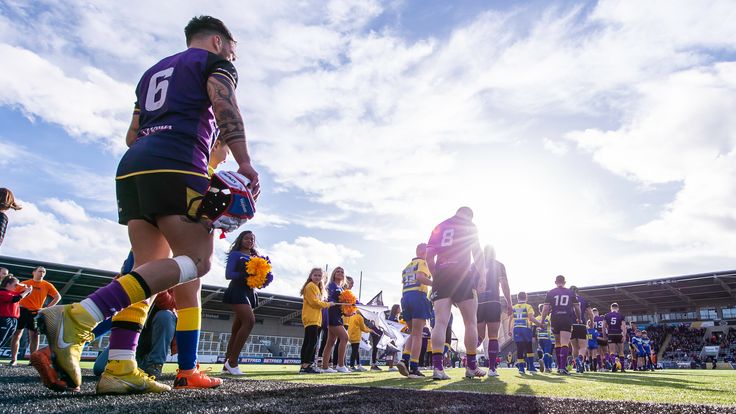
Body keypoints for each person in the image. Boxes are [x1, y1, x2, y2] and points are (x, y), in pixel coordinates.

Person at [34, 15, 259, 394]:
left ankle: (120, 366)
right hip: (178, 162)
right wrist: (245, 161)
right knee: (198, 261)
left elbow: (131, 135)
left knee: (146, 271)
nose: (233, 59)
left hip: (135, 165)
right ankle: (77, 317)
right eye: (233, 52)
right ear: (219, 43)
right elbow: (225, 106)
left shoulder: (152, 72)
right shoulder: (213, 64)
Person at [426, 207, 485, 380]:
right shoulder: (470, 226)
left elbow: (429, 256)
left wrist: (436, 276)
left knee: (440, 322)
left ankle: (437, 368)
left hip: (442, 274)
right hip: (463, 275)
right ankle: (472, 367)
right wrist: (482, 276)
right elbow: (477, 253)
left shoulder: (440, 226)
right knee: (470, 322)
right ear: (469, 215)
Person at [222, 230, 259, 376]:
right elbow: (228, 274)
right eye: (246, 238)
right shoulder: (235, 254)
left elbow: (260, 275)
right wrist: (245, 274)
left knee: (237, 329)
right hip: (237, 290)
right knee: (249, 321)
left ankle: (226, 365)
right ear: (240, 239)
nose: (249, 241)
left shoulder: (256, 257)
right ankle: (233, 362)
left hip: (250, 292)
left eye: (252, 239)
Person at [9, 266, 61, 366]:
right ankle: (13, 359)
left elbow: (58, 296)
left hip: (36, 313)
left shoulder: (47, 285)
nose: (42, 273)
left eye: (44, 272)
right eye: (40, 271)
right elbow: (14, 295)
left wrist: (47, 308)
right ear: (34, 272)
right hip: (22, 311)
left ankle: (33, 360)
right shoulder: (25, 283)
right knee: (17, 334)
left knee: (34, 336)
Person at [396, 243, 433, 379]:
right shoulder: (423, 262)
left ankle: (404, 360)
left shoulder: (407, 266)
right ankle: (414, 368)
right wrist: (437, 284)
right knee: (418, 334)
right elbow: (420, 278)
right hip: (418, 296)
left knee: (413, 333)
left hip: (405, 297)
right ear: (426, 252)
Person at [476, 245, 511, 377]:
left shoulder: (475, 265)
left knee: (479, 336)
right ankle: (492, 368)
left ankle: (470, 362)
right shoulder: (498, 265)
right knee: (493, 336)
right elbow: (504, 284)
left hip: (479, 303)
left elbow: (469, 285)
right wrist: (509, 302)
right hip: (493, 301)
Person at [540, 275, 580, 375]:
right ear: (565, 282)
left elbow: (545, 309)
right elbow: (577, 307)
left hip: (555, 318)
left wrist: (542, 321)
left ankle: (559, 367)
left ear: (555, 282)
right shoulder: (570, 292)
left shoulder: (550, 292)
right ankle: (562, 367)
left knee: (558, 343)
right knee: (565, 343)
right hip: (566, 318)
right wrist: (579, 317)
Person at [298, 268, 333, 374]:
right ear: (311, 276)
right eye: (315, 275)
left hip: (315, 318)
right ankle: (306, 365)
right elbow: (314, 303)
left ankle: (305, 365)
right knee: (312, 341)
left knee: (309, 341)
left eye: (319, 276)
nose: (317, 277)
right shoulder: (311, 286)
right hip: (311, 318)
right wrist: (328, 304)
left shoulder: (317, 288)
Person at [321, 267, 350, 373]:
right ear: (333, 274)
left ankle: (325, 367)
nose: (340, 273)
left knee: (331, 341)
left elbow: (342, 305)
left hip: (338, 315)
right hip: (332, 314)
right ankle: (340, 365)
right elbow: (327, 298)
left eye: (342, 272)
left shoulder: (342, 288)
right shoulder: (330, 285)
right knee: (345, 337)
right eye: (338, 271)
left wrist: (348, 310)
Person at [508, 292, 542, 374]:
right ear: (526, 298)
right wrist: (540, 324)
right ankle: (531, 368)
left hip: (516, 329)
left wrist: (509, 329)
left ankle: (521, 369)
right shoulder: (528, 306)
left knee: (519, 348)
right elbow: (531, 318)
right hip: (525, 328)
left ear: (517, 298)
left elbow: (510, 319)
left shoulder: (514, 307)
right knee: (529, 348)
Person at [1, 275, 33, 350]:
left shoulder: (12, 293)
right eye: (15, 285)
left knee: (4, 340)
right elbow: (16, 299)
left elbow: (25, 294)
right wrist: (26, 291)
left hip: (13, 320)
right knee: (1, 339)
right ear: (8, 284)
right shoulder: (2, 292)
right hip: (4, 319)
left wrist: (26, 288)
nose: (17, 287)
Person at [569, 286, 593, 373]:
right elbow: (590, 313)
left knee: (574, 347)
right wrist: (592, 323)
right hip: (581, 324)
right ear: (578, 292)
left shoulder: (568, 299)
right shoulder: (583, 300)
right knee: (583, 346)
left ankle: (577, 366)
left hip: (570, 325)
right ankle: (580, 359)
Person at [604, 303, 627, 372]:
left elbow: (603, 326)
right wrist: (624, 335)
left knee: (612, 351)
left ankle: (614, 363)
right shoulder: (621, 315)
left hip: (611, 334)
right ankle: (622, 368)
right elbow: (623, 326)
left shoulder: (607, 315)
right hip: (619, 334)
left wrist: (604, 335)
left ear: (611, 308)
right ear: (618, 308)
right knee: (621, 352)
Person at [536, 304, 554, 373]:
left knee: (545, 353)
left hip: (540, 338)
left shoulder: (537, 318)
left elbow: (534, 328)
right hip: (547, 337)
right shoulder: (548, 317)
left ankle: (547, 368)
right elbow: (552, 326)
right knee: (547, 353)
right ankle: (543, 360)